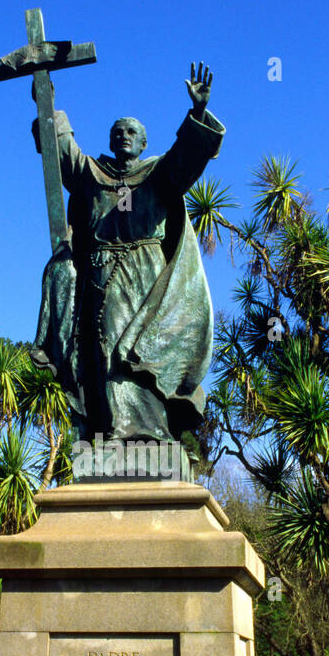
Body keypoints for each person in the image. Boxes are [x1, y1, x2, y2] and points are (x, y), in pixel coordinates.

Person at [30, 63, 224, 443]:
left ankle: (149, 432)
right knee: (105, 347)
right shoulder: (93, 175)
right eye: (117, 131)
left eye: (131, 132)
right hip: (103, 273)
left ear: (143, 143)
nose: (123, 136)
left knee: (141, 349)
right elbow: (62, 152)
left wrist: (198, 112)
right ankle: (115, 429)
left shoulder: (159, 175)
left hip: (148, 273)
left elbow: (187, 157)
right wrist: (47, 102)